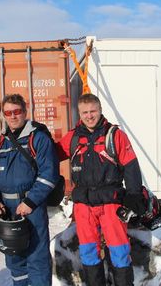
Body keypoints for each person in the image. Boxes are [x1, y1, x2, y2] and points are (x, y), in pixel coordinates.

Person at [56, 93, 146, 286]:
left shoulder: (114, 135)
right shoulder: (73, 137)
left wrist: (133, 195)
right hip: (83, 204)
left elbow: (131, 166)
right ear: (79, 114)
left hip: (110, 202)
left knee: (119, 250)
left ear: (100, 110)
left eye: (93, 111)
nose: (89, 116)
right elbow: (50, 156)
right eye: (85, 112)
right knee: (88, 252)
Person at [0, 94, 60, 286]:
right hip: (7, 211)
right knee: (14, 258)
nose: (13, 116)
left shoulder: (38, 139)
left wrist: (30, 201)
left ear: (25, 112)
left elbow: (49, 174)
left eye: (17, 111)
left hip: (31, 208)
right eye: (8, 112)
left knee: (37, 257)